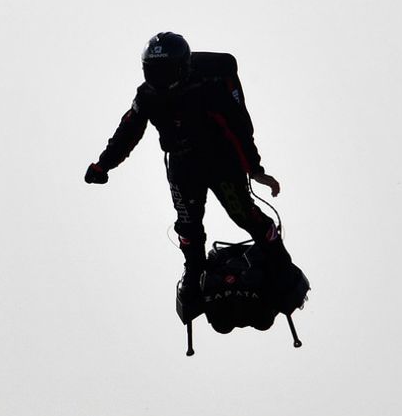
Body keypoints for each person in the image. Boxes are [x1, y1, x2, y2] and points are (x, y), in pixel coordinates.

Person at [85, 32, 291, 315]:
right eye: (153, 71)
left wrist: (255, 170)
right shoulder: (146, 95)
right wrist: (103, 165)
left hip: (221, 161)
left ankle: (280, 263)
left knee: (243, 213)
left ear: (183, 67)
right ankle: (193, 272)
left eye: (165, 71)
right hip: (183, 166)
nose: (159, 79)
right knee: (187, 225)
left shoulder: (208, 85)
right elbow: (127, 131)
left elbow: (238, 127)